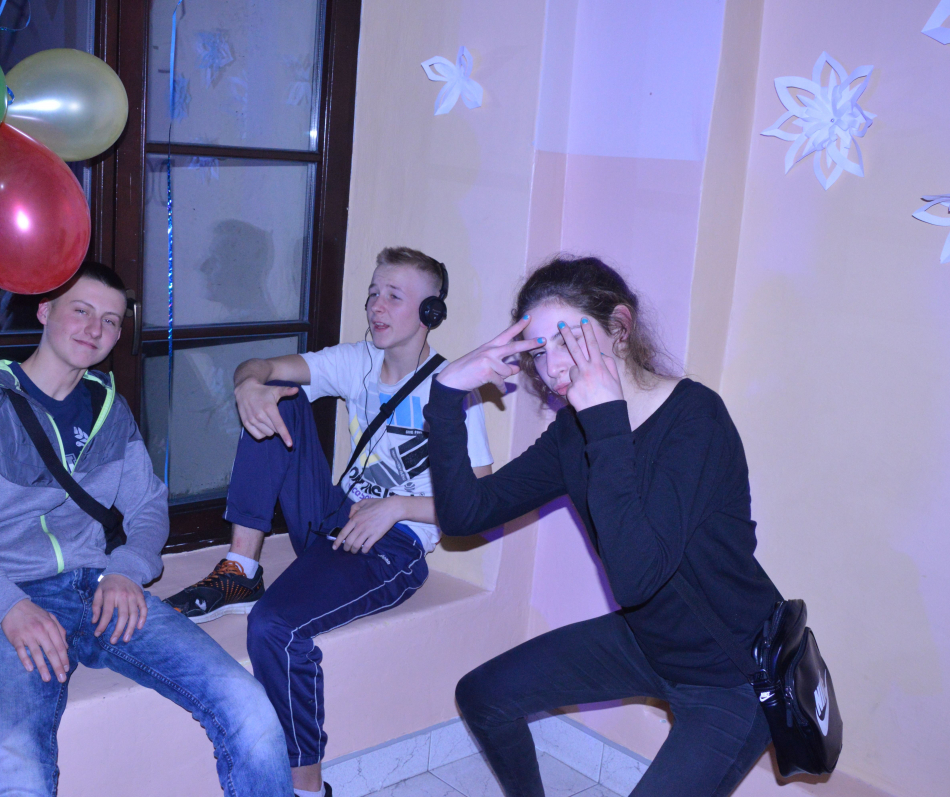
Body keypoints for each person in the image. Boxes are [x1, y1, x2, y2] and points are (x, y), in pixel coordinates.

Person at [0, 262, 292, 797]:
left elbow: (147, 505)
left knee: (248, 705)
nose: (94, 329)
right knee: (12, 764)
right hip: (10, 598)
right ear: (45, 311)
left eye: (109, 320)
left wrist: (126, 571)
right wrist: (4, 604)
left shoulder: (109, 408)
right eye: (81, 310)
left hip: (101, 587)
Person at [425, 256, 782, 797]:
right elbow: (464, 515)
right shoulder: (575, 432)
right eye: (538, 351)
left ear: (619, 327)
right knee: (482, 696)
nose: (552, 368)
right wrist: (447, 394)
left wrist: (606, 422)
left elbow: (637, 575)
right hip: (649, 638)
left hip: (731, 672)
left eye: (567, 340)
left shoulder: (697, 418)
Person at [165, 247, 495, 797]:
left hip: (393, 544)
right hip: (336, 515)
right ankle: (241, 566)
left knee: (275, 627)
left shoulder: (454, 390)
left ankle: (306, 787)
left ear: (431, 312)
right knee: (279, 397)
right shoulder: (357, 360)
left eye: (394, 296)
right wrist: (249, 385)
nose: (376, 306)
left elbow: (481, 501)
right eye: (373, 293)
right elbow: (260, 367)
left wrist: (399, 506)